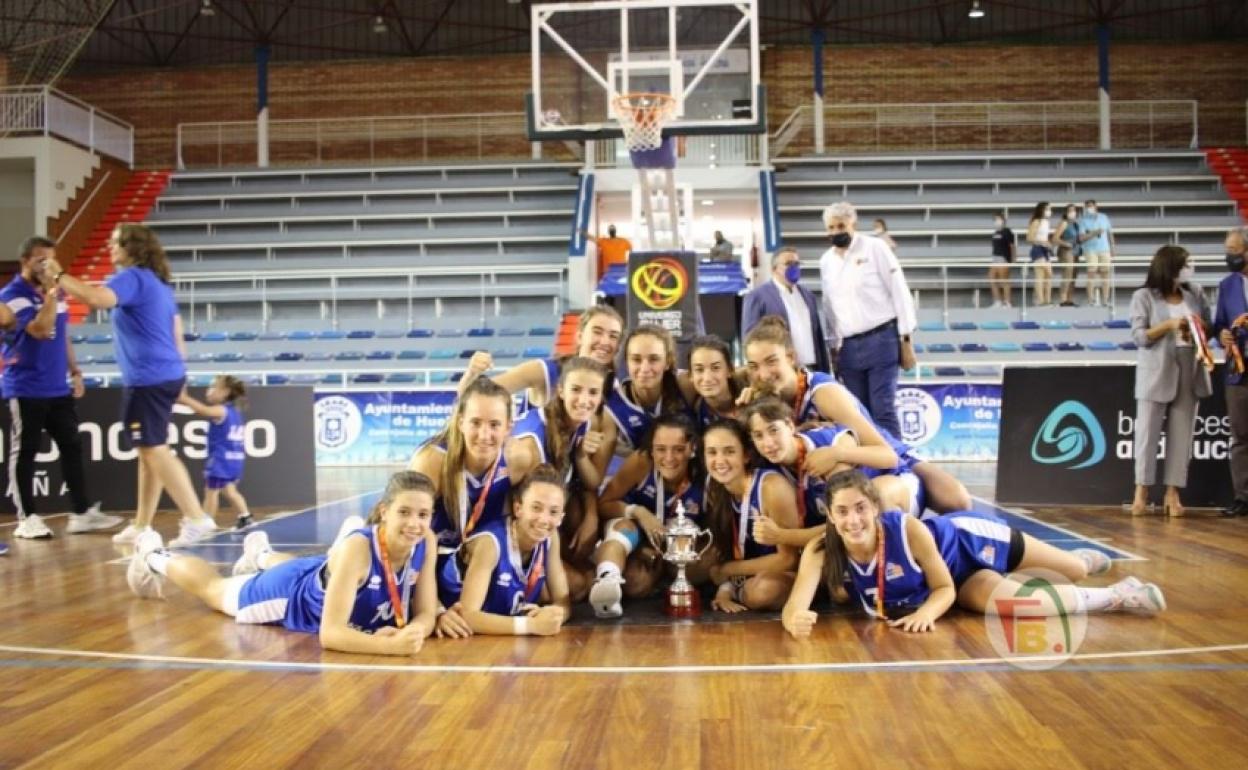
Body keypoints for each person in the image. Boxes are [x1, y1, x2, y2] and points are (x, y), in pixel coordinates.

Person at [781, 471, 1164, 638]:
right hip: (958, 582)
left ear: (876, 509)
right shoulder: (820, 549)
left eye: (861, 508)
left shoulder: (905, 529)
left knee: (1075, 570)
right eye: (843, 512)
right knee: (1013, 604)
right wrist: (794, 619)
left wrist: (927, 615)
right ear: (829, 517)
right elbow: (793, 605)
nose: (854, 520)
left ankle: (1081, 561)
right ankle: (1119, 595)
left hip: (969, 542)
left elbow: (942, 590)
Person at [125, 471, 439, 656]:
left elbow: (425, 611)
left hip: (326, 572)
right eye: (404, 512)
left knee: (329, 565)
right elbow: (330, 634)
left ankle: (259, 554)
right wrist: (388, 647)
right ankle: (152, 554)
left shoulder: (427, 542)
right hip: (292, 598)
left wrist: (413, 630)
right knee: (214, 590)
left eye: (423, 515)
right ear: (384, 511)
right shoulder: (360, 549)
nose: (414, 523)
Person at [42, 223, 218, 546]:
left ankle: (196, 517)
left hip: (148, 378)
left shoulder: (131, 278)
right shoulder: (159, 284)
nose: (110, 247)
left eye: (115, 242)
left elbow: (96, 298)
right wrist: (180, 374)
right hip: (166, 373)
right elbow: (176, 330)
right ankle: (141, 525)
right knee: (148, 451)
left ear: (132, 249)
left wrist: (59, 275)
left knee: (154, 450)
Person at [742, 316, 972, 514]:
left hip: (883, 456)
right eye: (754, 366)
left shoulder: (823, 394)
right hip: (854, 472)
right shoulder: (764, 395)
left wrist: (836, 453)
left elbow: (885, 453)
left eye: (771, 362)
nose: (762, 373)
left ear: (791, 358)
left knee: (958, 501)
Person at [3, 236, 120, 539]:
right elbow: (41, 330)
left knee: (71, 446)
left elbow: (61, 333)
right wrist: (52, 293)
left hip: (57, 387)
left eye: (51, 260)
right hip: (26, 387)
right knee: (25, 451)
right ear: (26, 262)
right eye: (41, 260)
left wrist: (75, 370)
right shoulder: (12, 295)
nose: (47, 266)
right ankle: (27, 517)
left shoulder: (55, 295)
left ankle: (81, 513)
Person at [408, 377, 513, 638]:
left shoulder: (518, 461)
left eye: (494, 425)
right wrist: (434, 609)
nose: (484, 435)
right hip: (422, 559)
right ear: (460, 422)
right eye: (476, 423)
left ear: (509, 427)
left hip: (465, 563)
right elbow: (402, 540)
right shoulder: (433, 461)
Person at [505, 356, 610, 591]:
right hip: (507, 534)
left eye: (593, 392)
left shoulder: (581, 424)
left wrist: (581, 454)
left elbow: (593, 481)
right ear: (560, 391)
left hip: (538, 524)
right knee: (580, 586)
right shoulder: (528, 447)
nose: (584, 400)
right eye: (576, 390)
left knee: (585, 580)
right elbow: (497, 502)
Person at [589, 412, 706, 618]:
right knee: (634, 580)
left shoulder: (706, 472)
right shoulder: (641, 461)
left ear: (692, 448)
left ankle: (668, 579)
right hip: (639, 539)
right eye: (660, 449)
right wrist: (638, 512)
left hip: (678, 548)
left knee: (705, 564)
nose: (668, 458)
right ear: (651, 449)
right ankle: (608, 580)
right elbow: (604, 504)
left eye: (678, 450)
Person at [818, 201, 917, 436]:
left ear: (853, 224)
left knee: (882, 408)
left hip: (882, 338)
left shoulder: (875, 248)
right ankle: (868, 467)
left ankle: (897, 465)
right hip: (848, 346)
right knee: (857, 412)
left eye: (840, 225)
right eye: (830, 227)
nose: (835, 232)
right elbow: (829, 306)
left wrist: (906, 339)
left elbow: (899, 290)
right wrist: (833, 347)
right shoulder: (826, 262)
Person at [440, 464, 572, 636]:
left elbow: (563, 601)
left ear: (561, 518)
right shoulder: (490, 543)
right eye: (536, 508)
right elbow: (468, 616)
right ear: (518, 508)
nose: (544, 519)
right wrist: (530, 625)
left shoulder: (550, 537)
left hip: (496, 632)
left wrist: (553, 616)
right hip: (447, 626)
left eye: (553, 512)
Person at [1129, 246, 1210, 517]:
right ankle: (1141, 490)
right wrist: (1169, 326)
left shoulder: (1195, 293)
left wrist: (1197, 329)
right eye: (1188, 262)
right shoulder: (1144, 297)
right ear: (1171, 266)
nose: (1191, 267)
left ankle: (1173, 492)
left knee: (1182, 436)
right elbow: (1139, 336)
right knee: (1147, 436)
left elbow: (1207, 328)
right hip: (1156, 370)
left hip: (1190, 366)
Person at [701, 419, 801, 613]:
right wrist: (724, 587)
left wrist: (727, 571)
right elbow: (731, 552)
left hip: (790, 572)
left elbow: (789, 559)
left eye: (729, 451)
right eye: (712, 452)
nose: (719, 460)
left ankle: (740, 592)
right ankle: (734, 591)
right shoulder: (714, 487)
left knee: (764, 590)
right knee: (699, 562)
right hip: (751, 574)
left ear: (746, 455)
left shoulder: (771, 487)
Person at [457, 304, 623, 414]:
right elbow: (472, 396)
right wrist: (471, 373)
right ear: (580, 336)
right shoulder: (544, 371)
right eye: (597, 332)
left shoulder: (613, 386)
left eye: (613, 336)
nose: (605, 342)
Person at [602, 324, 695, 457]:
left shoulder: (686, 384)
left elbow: (730, 374)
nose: (644, 368)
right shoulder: (613, 407)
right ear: (627, 362)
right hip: (646, 472)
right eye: (636, 359)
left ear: (667, 362)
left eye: (654, 359)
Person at [178, 375, 253, 530]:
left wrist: (184, 399)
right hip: (235, 460)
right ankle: (245, 517)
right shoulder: (235, 412)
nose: (209, 390)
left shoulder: (221, 410)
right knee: (230, 491)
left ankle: (204, 524)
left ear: (225, 392)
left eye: (213, 387)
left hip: (220, 460)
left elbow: (203, 410)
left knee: (211, 492)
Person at [740, 246, 832, 373]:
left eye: (796, 264)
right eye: (788, 264)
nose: (794, 268)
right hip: (781, 371)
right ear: (774, 269)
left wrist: (825, 369)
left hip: (811, 368)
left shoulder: (808, 296)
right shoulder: (757, 297)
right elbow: (749, 339)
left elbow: (817, 336)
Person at [1214, 225, 1248, 517]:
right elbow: (1218, 324)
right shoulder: (1227, 285)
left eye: (1234, 251)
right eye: (1228, 250)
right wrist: (1223, 334)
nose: (1229, 256)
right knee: (1240, 436)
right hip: (1238, 371)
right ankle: (1242, 497)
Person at [687, 335, 744, 429]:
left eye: (715, 368)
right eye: (699, 370)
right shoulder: (696, 413)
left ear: (730, 370)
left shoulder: (752, 399)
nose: (707, 378)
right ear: (690, 375)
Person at [1079, 199, 1115, 307]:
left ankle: (1105, 300)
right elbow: (1081, 238)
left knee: (1105, 274)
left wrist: (1112, 247)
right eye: (1087, 206)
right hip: (1090, 250)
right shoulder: (1083, 220)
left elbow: (1110, 233)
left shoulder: (1104, 217)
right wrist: (1094, 233)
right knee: (1091, 273)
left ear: (1096, 206)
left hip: (1104, 249)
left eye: (1091, 206)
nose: (1089, 208)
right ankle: (1091, 300)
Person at [1025, 202, 1054, 307]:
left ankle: (1047, 300)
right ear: (1041, 210)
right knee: (1040, 275)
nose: (1049, 211)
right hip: (1037, 249)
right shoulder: (1036, 221)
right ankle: (1041, 301)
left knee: (1049, 275)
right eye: (1047, 209)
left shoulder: (1046, 222)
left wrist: (1048, 244)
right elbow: (1029, 238)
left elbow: (1044, 237)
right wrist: (1042, 242)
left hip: (1045, 250)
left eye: (1049, 209)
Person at [1055, 204, 1082, 307]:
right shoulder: (1064, 223)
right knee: (1067, 275)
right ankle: (1063, 299)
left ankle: (1070, 299)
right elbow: (1055, 238)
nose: (1072, 213)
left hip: (1076, 251)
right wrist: (1066, 244)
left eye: (1074, 211)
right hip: (1066, 251)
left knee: (1073, 276)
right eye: (1070, 211)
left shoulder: (1076, 224)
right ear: (1066, 213)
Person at [988, 212, 1015, 309]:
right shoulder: (995, 233)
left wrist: (1012, 259)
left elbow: (1012, 246)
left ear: (1003, 220)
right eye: (995, 219)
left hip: (1003, 258)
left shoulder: (1007, 231)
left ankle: (1007, 302)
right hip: (995, 258)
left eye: (998, 219)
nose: (996, 221)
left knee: (1004, 280)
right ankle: (997, 301)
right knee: (992, 278)